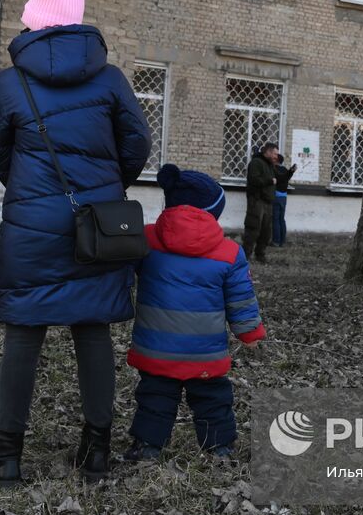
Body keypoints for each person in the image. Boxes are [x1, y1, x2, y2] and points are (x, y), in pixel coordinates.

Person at [0, 0, 151, 486]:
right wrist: (107, 184)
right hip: (96, 223)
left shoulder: (10, 83)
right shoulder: (111, 79)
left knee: (24, 331)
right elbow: (138, 142)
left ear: (35, 18)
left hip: (30, 224)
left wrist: (30, 192)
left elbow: (0, 153)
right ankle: (96, 452)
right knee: (92, 329)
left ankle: (7, 457)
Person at [123, 164, 264, 462]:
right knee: (212, 398)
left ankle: (147, 446)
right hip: (205, 350)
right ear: (213, 212)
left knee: (155, 396)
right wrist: (249, 332)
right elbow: (240, 297)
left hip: (156, 347)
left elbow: (121, 270)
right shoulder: (229, 253)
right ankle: (219, 448)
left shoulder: (147, 240)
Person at [243, 142, 278, 262]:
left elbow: (278, 179)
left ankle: (260, 254)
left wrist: (290, 173)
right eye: (274, 154)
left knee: (266, 231)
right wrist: (269, 181)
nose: (276, 157)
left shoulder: (270, 165)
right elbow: (254, 180)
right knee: (253, 228)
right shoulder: (256, 163)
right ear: (267, 152)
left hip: (268, 202)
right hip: (257, 200)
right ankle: (245, 255)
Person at [271, 153, 297, 247]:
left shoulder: (274, 169)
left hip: (276, 196)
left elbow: (278, 179)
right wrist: (291, 171)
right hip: (284, 197)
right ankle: (282, 240)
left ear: (276, 160)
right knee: (281, 219)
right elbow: (286, 178)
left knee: (275, 219)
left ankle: (276, 241)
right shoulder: (286, 170)